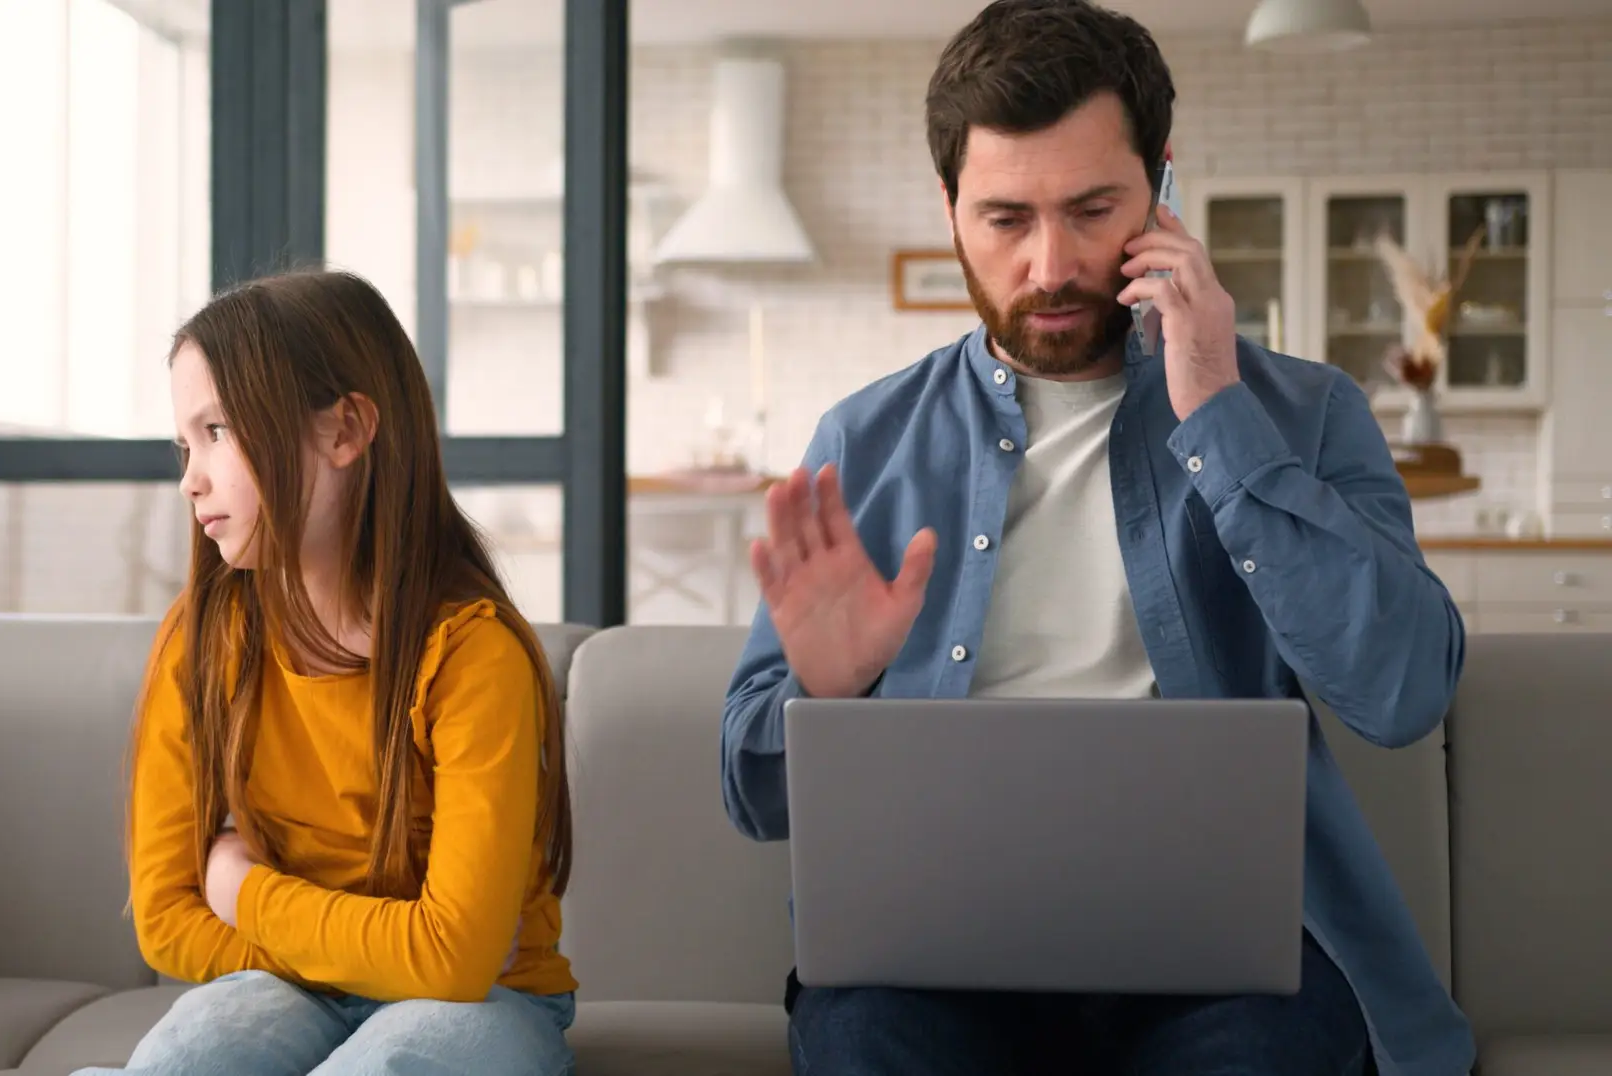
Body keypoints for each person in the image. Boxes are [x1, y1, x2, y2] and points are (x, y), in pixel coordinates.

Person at [718, 2, 1473, 1074]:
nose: (1050, 264)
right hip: (931, 968)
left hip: (1232, 972)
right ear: (948, 208)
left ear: (1163, 186)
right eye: (1005, 219)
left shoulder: (1307, 412)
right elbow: (751, 798)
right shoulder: (865, 440)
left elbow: (1402, 693)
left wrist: (1217, 412)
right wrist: (825, 698)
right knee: (863, 1035)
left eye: (1092, 208)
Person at [76, 270, 577, 1076]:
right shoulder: (200, 639)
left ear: (344, 431)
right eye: (184, 442)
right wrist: (387, 949)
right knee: (185, 1058)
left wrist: (243, 891)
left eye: (219, 432)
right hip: (285, 986)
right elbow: (166, 918)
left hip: (488, 1000)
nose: (189, 478)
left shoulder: (473, 657)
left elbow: (454, 963)